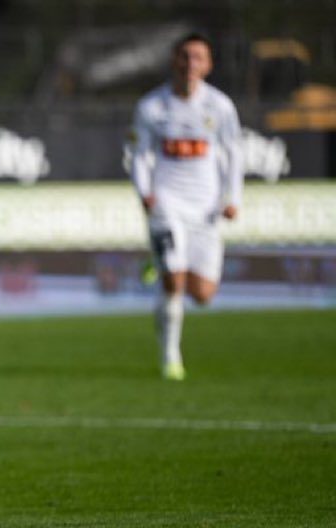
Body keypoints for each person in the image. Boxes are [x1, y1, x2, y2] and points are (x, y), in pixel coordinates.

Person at [129, 32, 243, 380]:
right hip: (168, 203)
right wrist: (145, 193)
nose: (190, 64)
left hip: (206, 208)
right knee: (173, 282)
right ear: (174, 61)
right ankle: (171, 357)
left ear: (208, 65)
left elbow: (234, 154)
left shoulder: (220, 106)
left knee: (203, 294)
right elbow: (139, 155)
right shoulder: (152, 107)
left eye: (198, 58)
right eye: (185, 56)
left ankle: (158, 260)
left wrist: (232, 198)